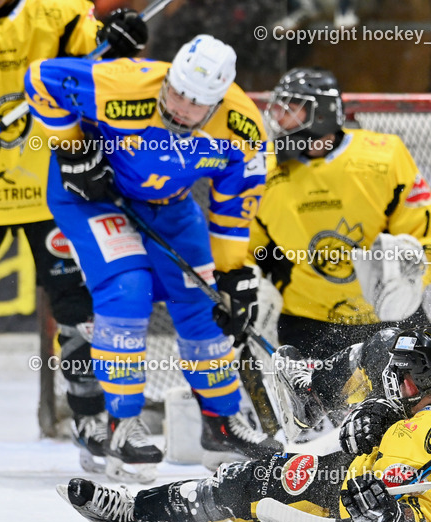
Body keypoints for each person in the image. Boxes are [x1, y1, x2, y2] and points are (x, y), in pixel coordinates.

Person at [25, 34, 282, 483]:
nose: (180, 107)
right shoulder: (125, 83)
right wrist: (74, 149)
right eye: (176, 92)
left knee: (206, 305)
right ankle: (122, 424)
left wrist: (232, 273)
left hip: (170, 204)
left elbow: (232, 208)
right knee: (128, 289)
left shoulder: (242, 130)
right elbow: (40, 79)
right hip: (93, 195)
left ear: (218, 103)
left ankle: (222, 426)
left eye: (195, 103)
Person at [59, 323, 431, 522]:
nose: (394, 381)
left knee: (241, 485)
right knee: (388, 341)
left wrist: (387, 518)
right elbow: (420, 420)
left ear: (424, 384)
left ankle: (135, 511)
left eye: (403, 379)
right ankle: (312, 391)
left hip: (371, 498)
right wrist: (388, 412)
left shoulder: (412, 445)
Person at [0, 0, 147, 475]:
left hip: (47, 189)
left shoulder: (57, 12)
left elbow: (102, 70)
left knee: (77, 311)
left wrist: (121, 43)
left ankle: (93, 422)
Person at [253, 67, 431, 360]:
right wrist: (248, 284)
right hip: (307, 324)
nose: (278, 119)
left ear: (321, 114)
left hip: (391, 317)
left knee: (422, 398)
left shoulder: (384, 157)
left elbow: (428, 237)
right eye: (278, 109)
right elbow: (244, 245)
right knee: (320, 407)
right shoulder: (263, 169)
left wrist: (411, 279)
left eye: (290, 110)